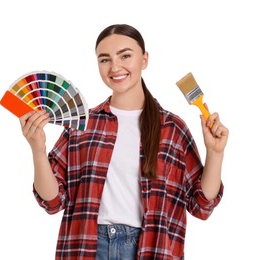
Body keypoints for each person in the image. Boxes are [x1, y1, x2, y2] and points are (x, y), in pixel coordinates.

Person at [19, 24, 229, 260]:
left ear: (144, 59)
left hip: (151, 248)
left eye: (125, 56)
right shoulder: (81, 125)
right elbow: (53, 201)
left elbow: (201, 205)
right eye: (104, 59)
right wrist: (38, 150)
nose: (115, 67)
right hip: (88, 249)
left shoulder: (172, 128)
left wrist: (215, 154)